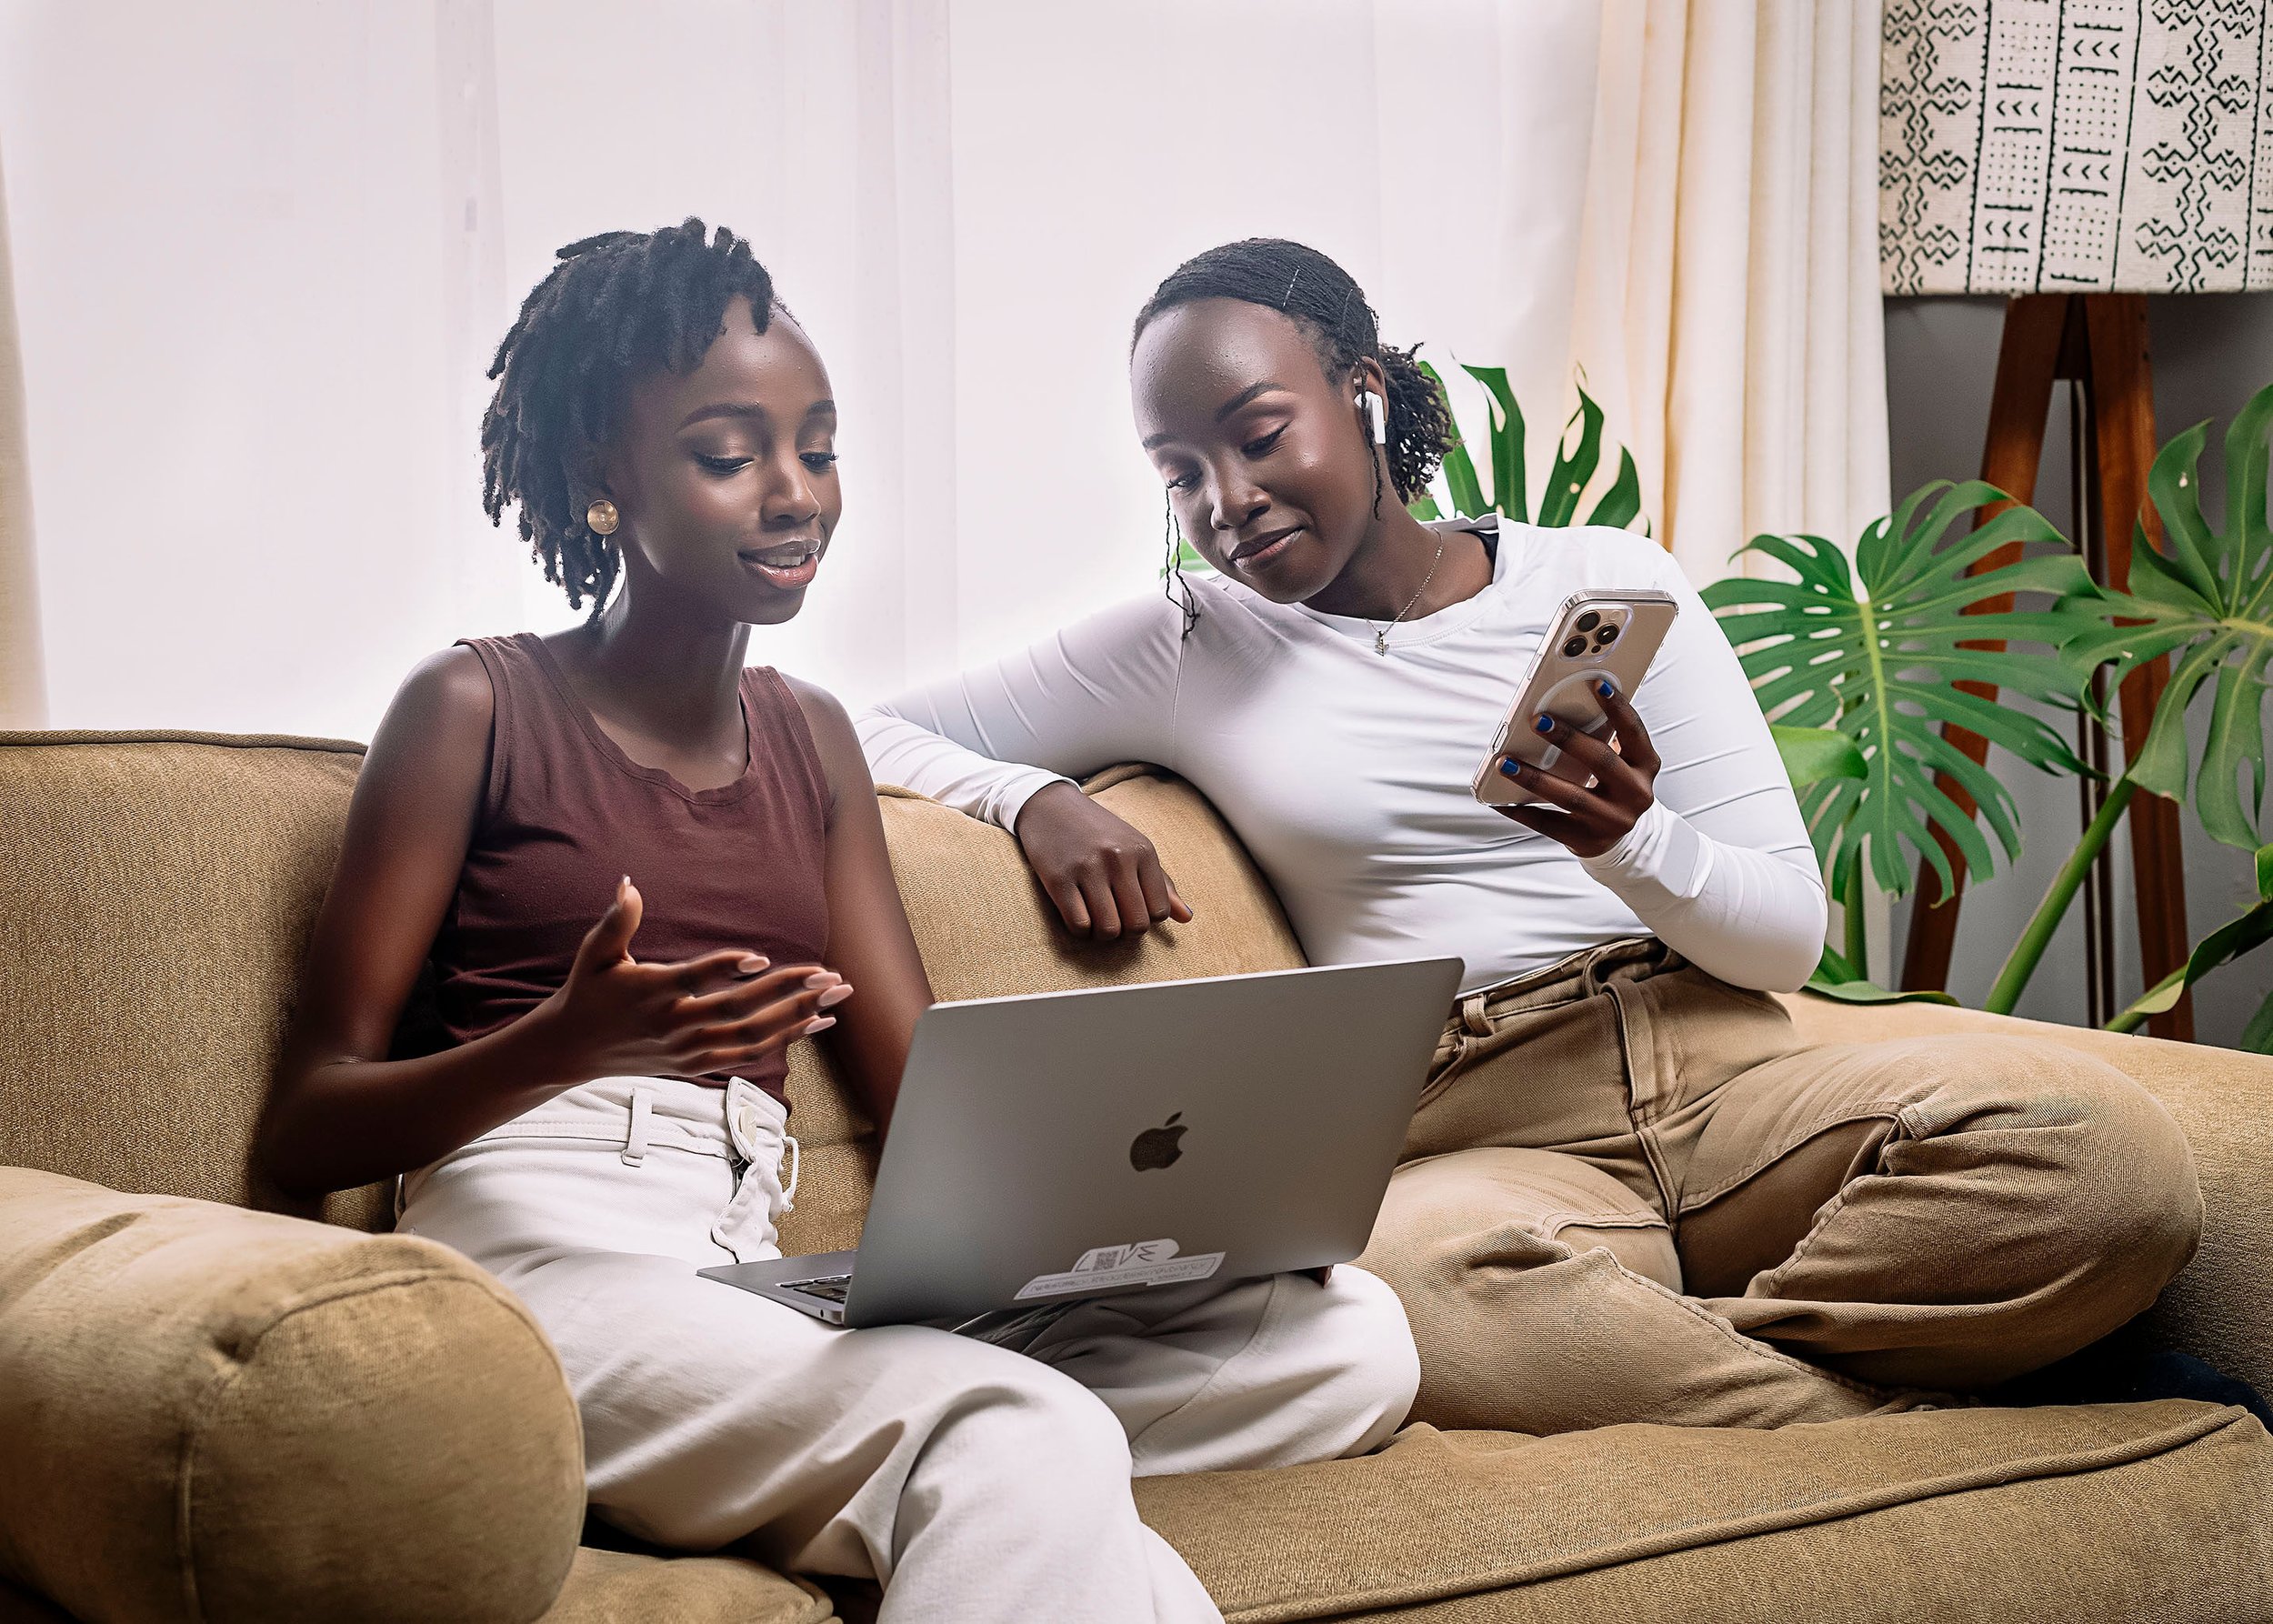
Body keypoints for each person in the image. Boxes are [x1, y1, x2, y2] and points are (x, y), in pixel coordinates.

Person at [253, 221, 1418, 1624]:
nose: (796, 494)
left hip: (746, 1277)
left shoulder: (812, 741)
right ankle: (959, 1457)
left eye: (819, 445)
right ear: (598, 479)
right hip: (535, 1270)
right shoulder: (472, 709)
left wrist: (1135, 1197)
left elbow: (921, 1092)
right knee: (1019, 1431)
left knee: (1349, 1341)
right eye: (733, 454)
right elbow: (305, 1130)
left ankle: (900, 1464)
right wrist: (567, 1040)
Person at [856, 236, 2206, 1437]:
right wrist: (1025, 796)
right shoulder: (1188, 643)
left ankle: (1698, 1352)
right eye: (1180, 471)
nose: (1228, 499)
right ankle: (1881, 1417)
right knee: (1414, 1299)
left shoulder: (1601, 579)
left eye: (1260, 433)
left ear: (1366, 394)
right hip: (1472, 1121)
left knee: (2104, 1161)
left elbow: (1789, 930)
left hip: (1718, 1065)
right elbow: (828, 723)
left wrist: (1632, 843)